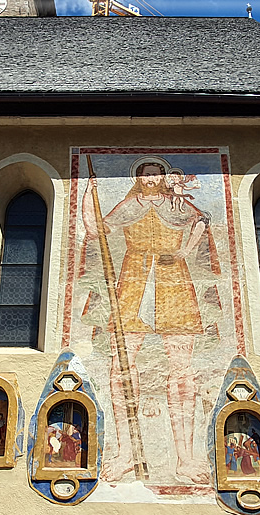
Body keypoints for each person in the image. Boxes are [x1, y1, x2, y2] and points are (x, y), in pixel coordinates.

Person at [83, 157, 215, 484]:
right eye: (147, 175)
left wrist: (185, 251)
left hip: (174, 280)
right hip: (134, 278)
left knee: (182, 367)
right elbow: (95, 228)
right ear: (140, 178)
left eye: (157, 174)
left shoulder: (176, 204)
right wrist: (88, 191)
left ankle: (185, 459)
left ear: (164, 178)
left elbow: (203, 220)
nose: (152, 179)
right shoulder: (128, 206)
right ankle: (127, 454)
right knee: (121, 365)